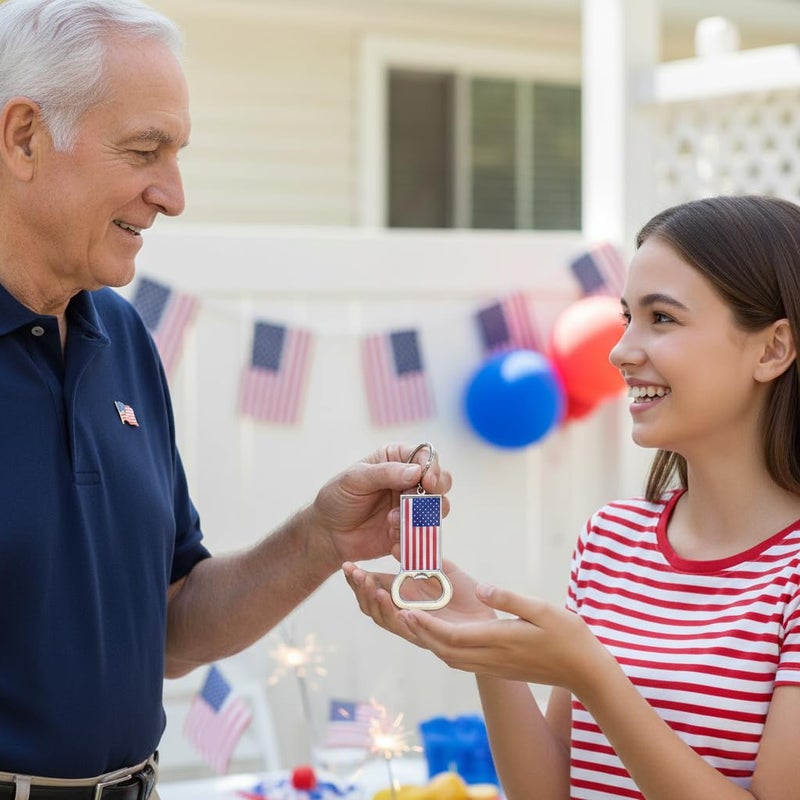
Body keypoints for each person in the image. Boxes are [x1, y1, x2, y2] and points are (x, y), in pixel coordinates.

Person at [0, 0, 452, 795]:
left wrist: (323, 535)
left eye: (176, 154)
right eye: (145, 151)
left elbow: (172, 624)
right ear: (25, 136)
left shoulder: (123, 338)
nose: (172, 194)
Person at [346, 195, 800, 800]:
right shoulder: (611, 541)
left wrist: (592, 674)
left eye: (662, 318)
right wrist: (485, 644)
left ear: (772, 349)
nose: (621, 350)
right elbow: (548, 791)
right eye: (628, 317)